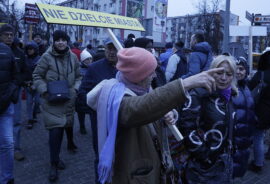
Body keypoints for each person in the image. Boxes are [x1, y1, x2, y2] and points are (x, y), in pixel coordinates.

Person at [86, 47, 224, 184]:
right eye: (151, 72)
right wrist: (186, 84)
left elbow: (152, 105)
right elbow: (140, 108)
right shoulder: (116, 98)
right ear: (138, 76)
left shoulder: (141, 89)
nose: (155, 76)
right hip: (134, 175)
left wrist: (167, 113)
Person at [179, 55, 242, 183]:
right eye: (219, 73)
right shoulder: (199, 94)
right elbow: (186, 128)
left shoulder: (230, 95)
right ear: (211, 71)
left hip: (225, 162)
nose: (224, 78)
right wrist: (205, 156)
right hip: (202, 167)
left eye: (229, 74)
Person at [33, 30, 81, 182]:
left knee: (65, 127)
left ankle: (57, 158)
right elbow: (37, 76)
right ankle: (53, 163)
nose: (60, 42)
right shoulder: (46, 57)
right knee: (55, 133)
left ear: (67, 41)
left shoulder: (73, 57)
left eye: (63, 40)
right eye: (57, 40)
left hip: (68, 100)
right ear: (53, 42)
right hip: (51, 101)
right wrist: (44, 90)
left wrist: (75, 89)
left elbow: (79, 76)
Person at [77, 37, 119, 183]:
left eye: (114, 48)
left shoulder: (127, 67)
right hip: (100, 121)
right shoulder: (94, 68)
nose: (112, 52)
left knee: (120, 156)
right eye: (109, 48)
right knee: (101, 156)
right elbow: (83, 94)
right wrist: (99, 104)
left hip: (121, 122)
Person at [0, 24, 30, 161]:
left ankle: (15, 149)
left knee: (16, 122)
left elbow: (26, 73)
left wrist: (16, 83)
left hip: (13, 95)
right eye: (6, 34)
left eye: (11, 35)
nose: (9, 37)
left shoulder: (19, 53)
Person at [232, 57, 256, 178]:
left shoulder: (246, 88)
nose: (238, 72)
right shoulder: (228, 88)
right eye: (235, 69)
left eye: (241, 69)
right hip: (234, 142)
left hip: (244, 141)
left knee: (238, 171)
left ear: (246, 71)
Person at [0, 42, 19, 184]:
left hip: (5, 105)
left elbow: (15, 75)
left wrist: (12, 94)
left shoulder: (6, 51)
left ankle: (7, 179)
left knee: (7, 143)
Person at [24, 41, 41, 129]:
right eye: (28, 49)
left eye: (31, 49)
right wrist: (25, 82)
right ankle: (30, 120)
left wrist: (37, 83)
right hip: (27, 84)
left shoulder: (40, 59)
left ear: (35, 49)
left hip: (37, 84)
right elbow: (22, 71)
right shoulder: (24, 58)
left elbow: (42, 72)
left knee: (38, 102)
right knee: (29, 102)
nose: (29, 51)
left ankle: (34, 114)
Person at [75, 49, 93, 134]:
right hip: (81, 94)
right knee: (80, 112)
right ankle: (82, 126)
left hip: (91, 94)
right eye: (87, 59)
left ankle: (93, 127)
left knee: (92, 112)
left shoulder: (94, 68)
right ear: (83, 60)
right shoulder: (78, 69)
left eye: (90, 59)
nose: (89, 61)